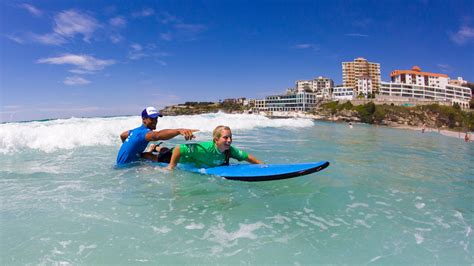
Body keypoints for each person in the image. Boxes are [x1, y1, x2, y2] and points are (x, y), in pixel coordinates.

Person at [116, 106, 198, 165]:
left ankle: (153, 149)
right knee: (166, 156)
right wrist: (179, 131)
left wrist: (127, 147)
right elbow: (158, 135)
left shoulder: (134, 131)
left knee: (146, 155)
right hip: (127, 168)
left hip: (122, 164)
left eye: (156, 118)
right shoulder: (144, 133)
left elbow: (122, 135)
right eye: (152, 118)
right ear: (144, 119)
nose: (155, 121)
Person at [167, 125, 262, 170]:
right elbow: (179, 148)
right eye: (225, 138)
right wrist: (171, 167)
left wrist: (263, 166)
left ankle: (156, 148)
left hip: (193, 160)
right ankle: (155, 149)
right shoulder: (204, 148)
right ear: (216, 140)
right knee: (157, 157)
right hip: (176, 158)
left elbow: (247, 157)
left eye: (230, 137)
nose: (229, 140)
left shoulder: (229, 150)